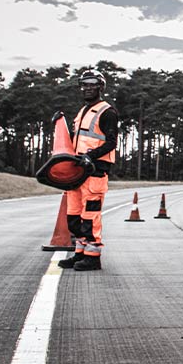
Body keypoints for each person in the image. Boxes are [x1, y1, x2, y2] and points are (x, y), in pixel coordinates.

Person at [59, 70, 119, 272]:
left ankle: (93, 258)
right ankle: (80, 254)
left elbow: (111, 143)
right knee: (74, 217)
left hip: (95, 171)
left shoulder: (107, 112)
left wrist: (91, 156)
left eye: (92, 85)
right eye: (84, 85)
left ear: (101, 87)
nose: (87, 88)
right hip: (78, 172)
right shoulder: (82, 111)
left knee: (90, 217)